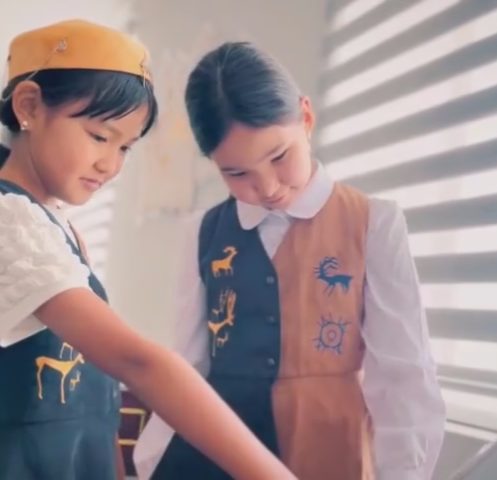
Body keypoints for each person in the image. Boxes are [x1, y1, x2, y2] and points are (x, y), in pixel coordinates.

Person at [0, 21, 296, 480]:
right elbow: (137, 363)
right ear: (29, 106)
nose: (110, 165)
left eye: (126, 147)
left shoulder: (58, 229)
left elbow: (96, 398)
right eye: (99, 136)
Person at [134, 41, 447, 480]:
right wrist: (151, 461)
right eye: (236, 173)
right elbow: (189, 365)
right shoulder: (201, 232)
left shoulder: (373, 222)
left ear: (306, 118)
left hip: (328, 448)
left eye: (279, 156)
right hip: (220, 450)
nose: (267, 187)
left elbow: (403, 372)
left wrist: (404, 472)